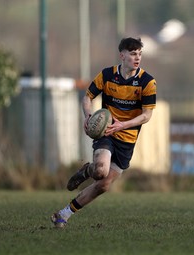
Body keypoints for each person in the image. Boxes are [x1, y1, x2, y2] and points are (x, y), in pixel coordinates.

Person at [51, 37, 157, 228]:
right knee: (100, 171)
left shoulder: (147, 82)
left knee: (103, 185)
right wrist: (88, 116)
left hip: (127, 140)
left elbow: (146, 115)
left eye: (140, 54)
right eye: (133, 54)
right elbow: (87, 97)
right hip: (106, 133)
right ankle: (90, 170)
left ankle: (64, 213)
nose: (137, 58)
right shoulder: (107, 75)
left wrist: (122, 125)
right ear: (122, 55)